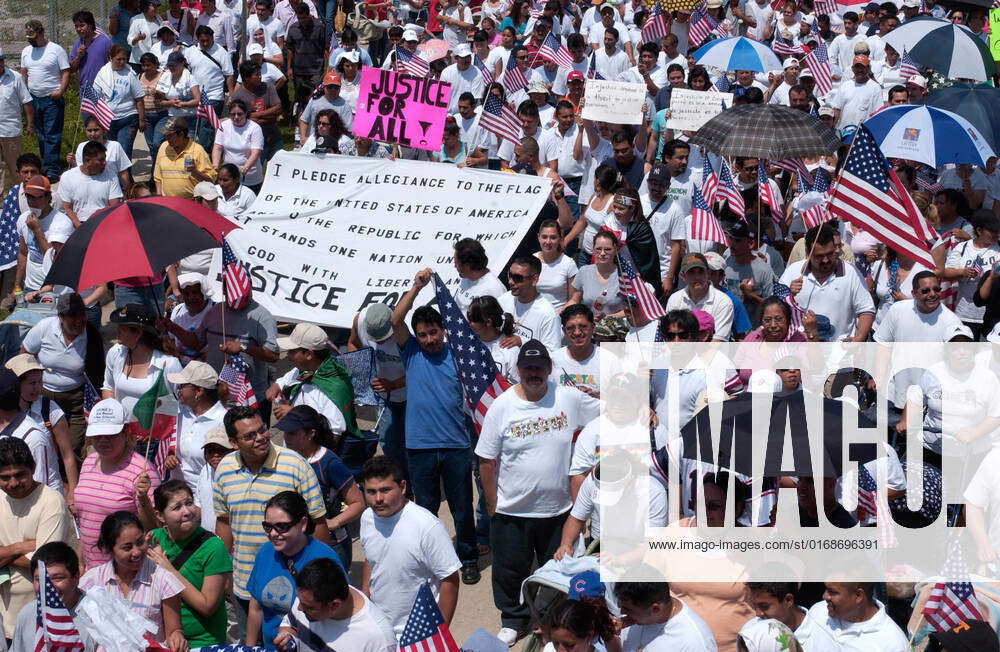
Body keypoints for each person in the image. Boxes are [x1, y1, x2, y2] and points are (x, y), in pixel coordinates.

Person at [476, 340, 598, 645]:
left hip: (557, 510)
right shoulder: (501, 406)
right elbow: (486, 461)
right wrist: (492, 503)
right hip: (511, 510)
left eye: (539, 367)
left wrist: (642, 407)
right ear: (518, 370)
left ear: (549, 368)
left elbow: (608, 411)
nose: (534, 373)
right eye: (528, 368)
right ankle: (513, 621)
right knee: (509, 570)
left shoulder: (567, 398)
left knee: (558, 571)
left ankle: (553, 621)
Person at [388, 268, 479, 584]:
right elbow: (395, 321)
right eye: (422, 334)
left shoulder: (459, 353)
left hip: (456, 445)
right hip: (419, 446)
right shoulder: (410, 351)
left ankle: (467, 558)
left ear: (443, 330)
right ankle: (430, 561)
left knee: (462, 509)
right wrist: (416, 287)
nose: (428, 340)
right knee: (424, 511)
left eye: (433, 332)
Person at [213, 406, 329, 628]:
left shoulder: (295, 465)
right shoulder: (225, 469)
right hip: (244, 584)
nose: (260, 438)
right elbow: (224, 521)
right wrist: (224, 571)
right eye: (249, 435)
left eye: (262, 430)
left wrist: (318, 578)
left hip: (292, 585)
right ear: (234, 442)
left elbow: (318, 523)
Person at [360, 455, 461, 636]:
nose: (378, 499)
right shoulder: (367, 518)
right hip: (379, 627)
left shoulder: (427, 526)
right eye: (371, 492)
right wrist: (365, 595)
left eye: (385, 490)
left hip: (419, 631)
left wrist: (439, 633)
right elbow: (370, 558)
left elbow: (450, 580)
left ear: (403, 487)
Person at [245, 491, 344, 648]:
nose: (273, 534)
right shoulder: (265, 553)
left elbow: (338, 613)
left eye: (282, 527)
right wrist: (248, 648)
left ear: (303, 523)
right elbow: (256, 608)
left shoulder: (325, 559)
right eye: (267, 526)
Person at [0, 436, 74, 642]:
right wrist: (19, 547)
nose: (13, 483)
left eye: (19, 475)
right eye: (5, 477)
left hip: (41, 620)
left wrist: (3, 552)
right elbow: (36, 560)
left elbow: (44, 569)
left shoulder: (50, 502)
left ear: (33, 467)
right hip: (4, 620)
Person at [274, 405, 365, 569]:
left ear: (311, 434)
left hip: (331, 545)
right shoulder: (286, 460)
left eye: (293, 433)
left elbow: (358, 503)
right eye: (285, 432)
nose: (286, 438)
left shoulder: (329, 463)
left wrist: (333, 522)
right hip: (295, 545)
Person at [80, 511, 185, 649]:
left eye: (140, 542)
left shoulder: (163, 580)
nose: (136, 552)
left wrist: (177, 637)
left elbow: (173, 630)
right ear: (110, 549)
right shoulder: (92, 581)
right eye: (127, 548)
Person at [74, 398, 159, 569]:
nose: (103, 440)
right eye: (97, 435)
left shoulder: (143, 470)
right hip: (91, 571)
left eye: (110, 435)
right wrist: (80, 559)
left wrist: (143, 499)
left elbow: (155, 529)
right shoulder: (89, 462)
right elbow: (84, 519)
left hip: (127, 572)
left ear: (125, 431)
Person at [147, 479, 231, 646]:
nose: (186, 511)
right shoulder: (153, 539)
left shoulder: (214, 547)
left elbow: (207, 606)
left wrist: (169, 571)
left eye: (189, 503)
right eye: (176, 507)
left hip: (202, 641)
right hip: (162, 638)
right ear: (159, 516)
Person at [21, 293, 105, 457]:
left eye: (81, 314)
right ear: (60, 317)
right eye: (72, 316)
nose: (78, 320)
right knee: (46, 444)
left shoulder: (92, 336)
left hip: (75, 400)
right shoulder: (44, 327)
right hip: (43, 396)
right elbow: (24, 354)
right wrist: (30, 384)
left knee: (72, 448)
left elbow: (98, 375)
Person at [275, 557, 397, 651]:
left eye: (309, 608)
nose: (299, 608)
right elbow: (291, 625)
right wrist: (287, 638)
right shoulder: (307, 596)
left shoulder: (379, 640)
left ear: (334, 605)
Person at [779, 224, 875, 341]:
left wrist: (858, 339)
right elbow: (776, 309)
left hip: (840, 353)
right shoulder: (793, 272)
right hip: (801, 351)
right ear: (807, 252)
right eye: (819, 256)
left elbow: (866, 310)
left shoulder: (851, 272)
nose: (825, 260)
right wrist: (789, 295)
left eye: (829, 254)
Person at [347, 303, 408, 482]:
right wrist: (360, 366)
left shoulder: (406, 330)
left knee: (410, 445)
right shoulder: (360, 319)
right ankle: (399, 482)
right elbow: (353, 343)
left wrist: (394, 384)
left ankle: (413, 482)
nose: (379, 342)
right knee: (388, 443)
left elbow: (421, 369)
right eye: (376, 338)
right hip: (382, 397)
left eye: (384, 338)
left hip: (411, 396)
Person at [11, 541, 98, 650]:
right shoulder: (27, 614)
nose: (48, 587)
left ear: (76, 577)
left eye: (57, 578)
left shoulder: (97, 617)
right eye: (40, 579)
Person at [20, 20, 69, 182]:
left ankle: (52, 169)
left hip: (51, 98)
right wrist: (23, 93)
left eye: (33, 37)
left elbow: (65, 72)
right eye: (29, 38)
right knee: (40, 135)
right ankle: (45, 165)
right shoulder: (26, 51)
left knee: (52, 135)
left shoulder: (56, 50)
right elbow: (24, 73)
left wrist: (60, 91)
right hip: (33, 98)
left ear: (41, 33)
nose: (31, 41)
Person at [166, 360, 225, 490]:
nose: (178, 390)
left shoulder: (223, 421)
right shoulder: (179, 411)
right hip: (176, 490)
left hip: (206, 494)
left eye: (182, 386)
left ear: (198, 391)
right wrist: (169, 455)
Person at [795, 582, 907, 651]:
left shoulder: (894, 644)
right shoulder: (818, 610)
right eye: (825, 589)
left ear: (858, 595)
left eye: (832, 592)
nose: (824, 596)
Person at [614, 582, 718, 651]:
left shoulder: (695, 642)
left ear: (655, 609)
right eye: (620, 606)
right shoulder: (635, 616)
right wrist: (610, 637)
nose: (622, 612)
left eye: (628, 609)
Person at [13, 174, 72, 295]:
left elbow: (52, 259)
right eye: (29, 197)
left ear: (48, 197)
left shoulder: (62, 223)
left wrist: (37, 230)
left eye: (38, 198)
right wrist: (17, 285)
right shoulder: (23, 219)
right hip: (30, 286)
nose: (33, 202)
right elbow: (23, 253)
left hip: (54, 288)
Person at [185, 26, 234, 150]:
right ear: (197, 39)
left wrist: (231, 95)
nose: (205, 43)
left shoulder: (221, 52)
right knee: (196, 127)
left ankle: (204, 155)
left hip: (214, 96)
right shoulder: (190, 51)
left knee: (205, 127)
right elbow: (186, 72)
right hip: (195, 96)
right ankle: (208, 150)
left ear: (212, 38)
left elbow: (229, 75)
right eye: (202, 41)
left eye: (208, 40)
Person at [666, 254, 735, 341]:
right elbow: (671, 336)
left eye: (701, 271)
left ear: (708, 273)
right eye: (691, 272)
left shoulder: (723, 301)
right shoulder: (675, 299)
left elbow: (718, 342)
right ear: (683, 276)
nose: (697, 277)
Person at [499, 256, 562, 351]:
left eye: (517, 278)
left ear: (534, 279)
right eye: (510, 275)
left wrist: (522, 342)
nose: (510, 281)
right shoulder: (503, 300)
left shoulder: (548, 315)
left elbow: (552, 353)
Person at [58, 141, 124, 228]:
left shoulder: (111, 176)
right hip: (78, 225)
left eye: (104, 159)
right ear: (87, 160)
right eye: (101, 160)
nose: (105, 163)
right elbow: (68, 209)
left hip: (104, 223)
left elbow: (114, 208)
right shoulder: (67, 177)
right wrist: (81, 228)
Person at [287, 3, 329, 128]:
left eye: (304, 18)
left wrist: (327, 68)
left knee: (315, 96)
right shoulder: (293, 28)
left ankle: (316, 121)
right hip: (299, 69)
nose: (302, 21)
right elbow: (290, 49)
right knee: (299, 96)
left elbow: (326, 48)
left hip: (316, 68)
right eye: (299, 18)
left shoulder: (319, 27)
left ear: (309, 15)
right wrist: (289, 68)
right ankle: (296, 121)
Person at [153, 116, 217, 198]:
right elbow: (158, 177)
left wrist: (195, 172)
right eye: (166, 135)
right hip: (168, 203)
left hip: (190, 204)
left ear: (181, 135)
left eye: (170, 136)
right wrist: (159, 196)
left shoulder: (198, 150)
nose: (167, 139)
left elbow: (210, 181)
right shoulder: (163, 147)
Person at [211, 98, 264, 193]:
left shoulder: (255, 128)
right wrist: (215, 165)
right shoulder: (223, 126)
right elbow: (218, 147)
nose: (236, 117)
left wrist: (245, 169)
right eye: (232, 114)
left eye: (239, 114)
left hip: (250, 177)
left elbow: (255, 153)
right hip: (228, 177)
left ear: (246, 113)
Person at [68, 117, 133, 192]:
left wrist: (128, 193)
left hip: (111, 189)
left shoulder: (115, 146)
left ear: (104, 130)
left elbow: (123, 172)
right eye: (89, 130)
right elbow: (81, 172)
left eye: (96, 130)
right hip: (89, 190)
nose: (93, 134)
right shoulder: (81, 147)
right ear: (85, 131)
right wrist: (73, 163)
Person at [0, 47, 32, 192]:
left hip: (10, 130)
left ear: (3, 61)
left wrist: (30, 124)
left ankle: (20, 195)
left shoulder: (15, 77)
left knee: (15, 166)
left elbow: (26, 101)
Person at [453, 237, 507, 312]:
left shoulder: (494, 289)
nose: (454, 266)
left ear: (467, 265)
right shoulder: (466, 276)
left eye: (456, 263)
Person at [298, 70, 352, 144]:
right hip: (313, 142)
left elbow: (347, 130)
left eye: (336, 87)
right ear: (324, 87)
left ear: (340, 88)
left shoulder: (345, 106)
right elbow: (304, 120)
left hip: (334, 144)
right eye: (330, 87)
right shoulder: (314, 100)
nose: (333, 89)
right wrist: (303, 137)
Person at [535, 220, 577, 311]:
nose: (548, 241)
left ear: (560, 239)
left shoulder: (569, 264)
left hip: (558, 315)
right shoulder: (531, 261)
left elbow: (573, 299)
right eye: (544, 237)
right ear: (538, 238)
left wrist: (557, 314)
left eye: (553, 237)